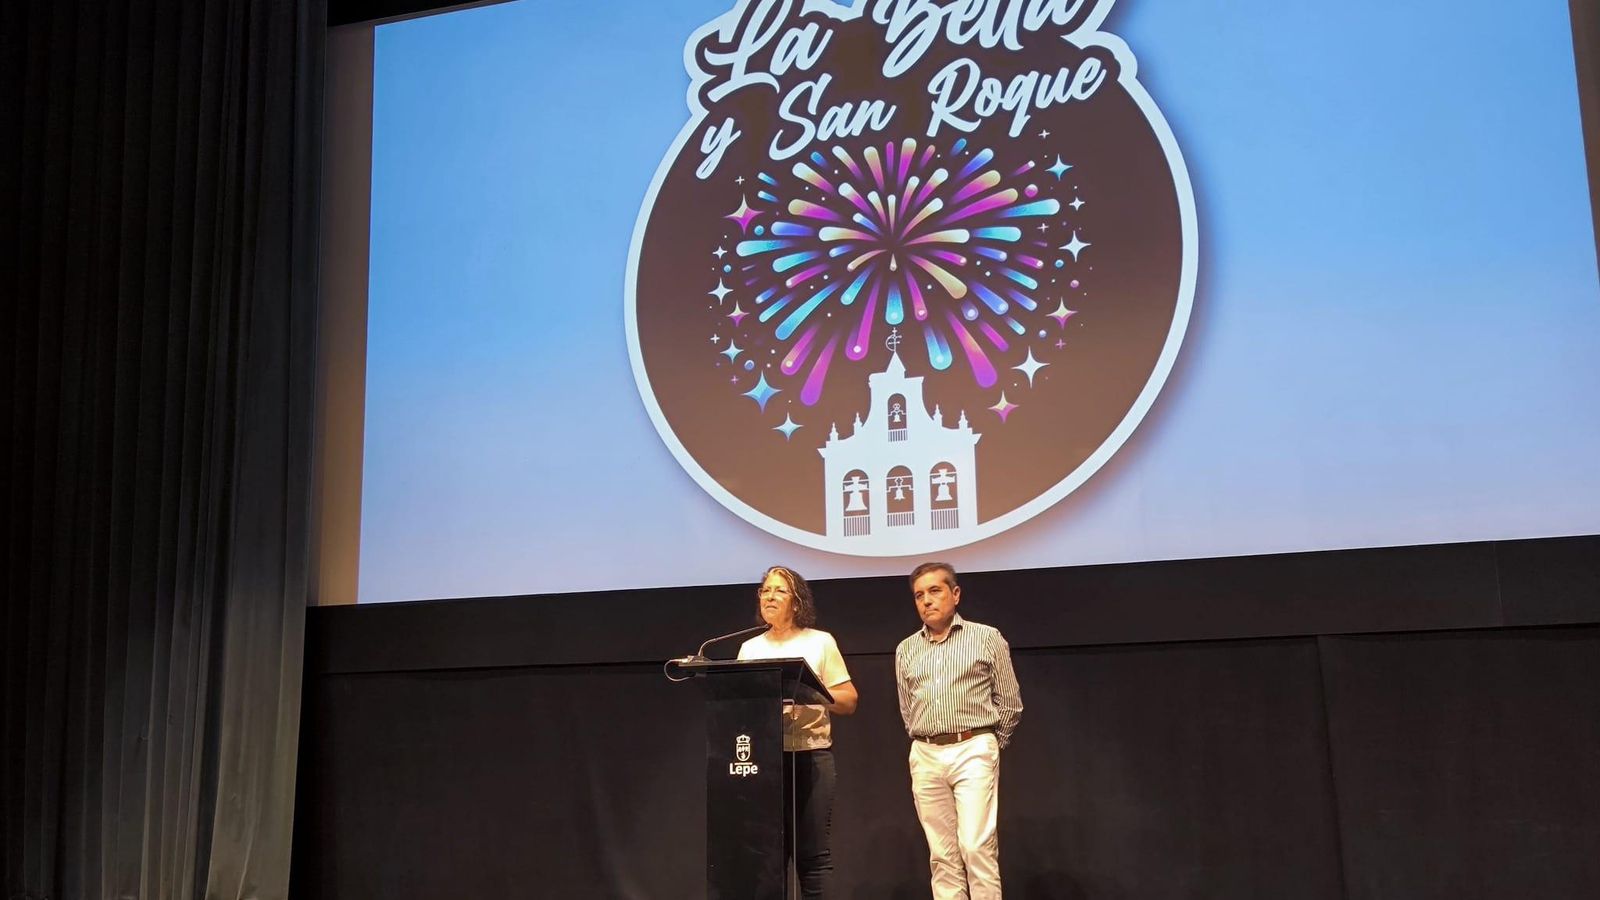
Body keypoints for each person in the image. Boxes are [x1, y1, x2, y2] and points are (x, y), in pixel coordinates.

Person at [894, 562, 1022, 900]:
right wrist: (926, 740)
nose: (927, 601)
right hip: (925, 752)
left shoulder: (986, 637)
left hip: (973, 747)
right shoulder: (906, 649)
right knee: (942, 853)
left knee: (976, 845)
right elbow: (908, 709)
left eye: (935, 591)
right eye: (919, 595)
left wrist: (989, 743)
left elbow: (1010, 703)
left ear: (955, 594)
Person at [737, 565, 858, 899]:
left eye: (779, 590)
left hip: (811, 758)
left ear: (797, 602)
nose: (770, 597)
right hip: (764, 763)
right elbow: (738, 705)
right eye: (765, 590)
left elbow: (848, 700)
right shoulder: (749, 649)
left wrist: (813, 694)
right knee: (767, 858)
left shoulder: (819, 643)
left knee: (812, 856)